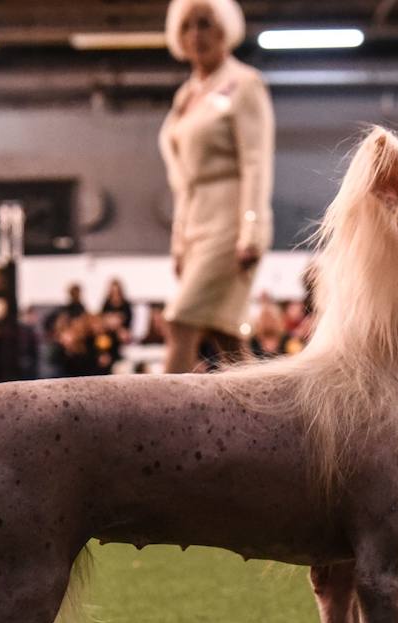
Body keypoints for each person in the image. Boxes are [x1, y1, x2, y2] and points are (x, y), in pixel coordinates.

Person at [159, 0, 273, 373]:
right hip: (195, 222)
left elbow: (255, 161)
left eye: (205, 24)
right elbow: (182, 181)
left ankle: (159, 423)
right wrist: (179, 240)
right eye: (188, 26)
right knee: (227, 337)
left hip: (230, 221)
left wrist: (251, 229)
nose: (196, 35)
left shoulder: (244, 84)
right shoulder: (185, 96)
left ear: (224, 29)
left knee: (181, 320)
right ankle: (265, 418)